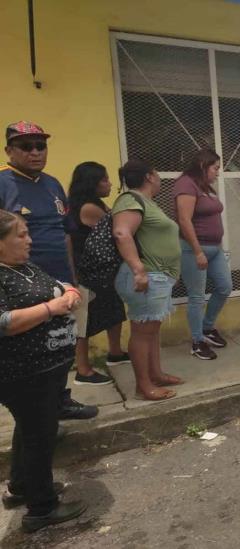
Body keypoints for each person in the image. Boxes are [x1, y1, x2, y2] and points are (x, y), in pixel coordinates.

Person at [0, 121, 97, 420]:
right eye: (25, 146)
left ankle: (60, 401)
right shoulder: (3, 183)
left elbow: (65, 233)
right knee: (33, 352)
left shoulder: (53, 184)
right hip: (20, 286)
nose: (35, 152)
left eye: (40, 146)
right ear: (9, 151)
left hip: (59, 280)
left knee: (61, 341)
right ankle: (37, 416)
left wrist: (71, 274)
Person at [0, 210, 87, 533]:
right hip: (22, 373)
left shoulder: (23, 267)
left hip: (45, 370)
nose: (29, 240)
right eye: (21, 235)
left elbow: (56, 284)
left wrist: (69, 292)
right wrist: (52, 307)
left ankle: (22, 486)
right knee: (40, 437)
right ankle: (42, 507)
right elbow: (4, 323)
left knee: (28, 430)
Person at [112, 160, 183, 401]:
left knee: (151, 330)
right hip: (146, 276)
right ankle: (144, 386)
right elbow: (122, 233)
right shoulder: (130, 200)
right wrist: (138, 270)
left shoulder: (146, 202)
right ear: (150, 176)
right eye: (158, 173)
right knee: (142, 333)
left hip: (157, 276)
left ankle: (155, 373)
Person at [68, 162, 129, 385]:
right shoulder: (89, 208)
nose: (109, 183)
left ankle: (115, 352)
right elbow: (117, 230)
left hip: (103, 272)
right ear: (92, 183)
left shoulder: (95, 204)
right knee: (84, 321)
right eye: (104, 179)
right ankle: (83, 370)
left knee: (114, 310)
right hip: (90, 273)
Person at [173, 149, 232, 360]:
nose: (217, 172)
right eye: (215, 168)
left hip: (215, 249)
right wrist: (198, 251)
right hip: (194, 250)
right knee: (196, 296)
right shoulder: (186, 184)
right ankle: (197, 341)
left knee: (225, 287)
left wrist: (220, 246)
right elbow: (184, 220)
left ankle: (207, 328)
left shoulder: (204, 187)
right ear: (202, 165)